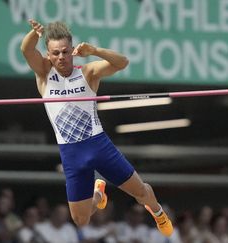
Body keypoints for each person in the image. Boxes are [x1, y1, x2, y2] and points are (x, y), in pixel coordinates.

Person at [20, 19, 173, 238]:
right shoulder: (44, 74)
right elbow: (26, 49)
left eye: (65, 51)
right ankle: (98, 196)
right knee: (80, 220)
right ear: (48, 54)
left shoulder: (88, 72)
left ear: (72, 51)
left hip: (98, 146)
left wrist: (95, 51)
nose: (61, 57)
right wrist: (34, 34)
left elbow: (123, 62)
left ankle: (158, 212)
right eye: (55, 53)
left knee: (140, 192)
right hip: (71, 154)